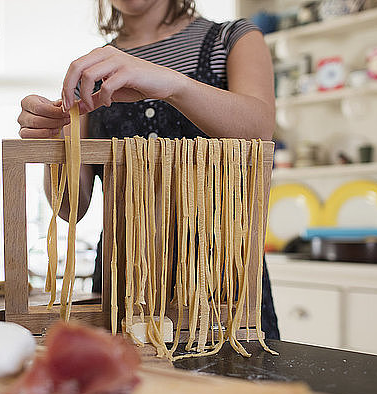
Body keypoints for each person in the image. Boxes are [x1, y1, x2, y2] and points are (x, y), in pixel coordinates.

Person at [17, 0, 279, 339]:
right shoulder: (93, 69)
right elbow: (71, 207)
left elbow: (259, 131)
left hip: (221, 279)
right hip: (123, 281)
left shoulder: (231, 39)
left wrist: (174, 84)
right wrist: (55, 142)